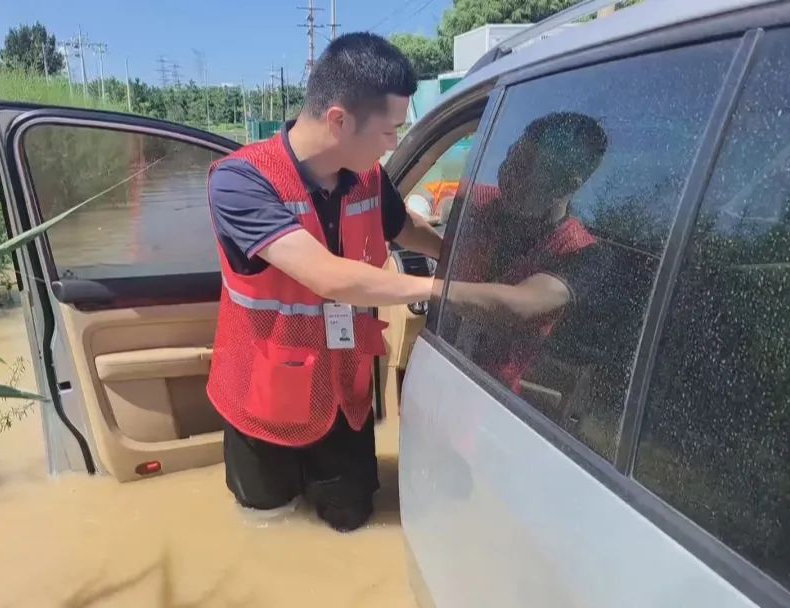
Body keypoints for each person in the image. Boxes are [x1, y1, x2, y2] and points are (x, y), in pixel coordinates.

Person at [205, 32, 443, 532]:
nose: (394, 145)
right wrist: (449, 291)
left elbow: (405, 229)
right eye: (388, 131)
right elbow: (326, 276)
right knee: (268, 525)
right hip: (262, 398)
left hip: (343, 396)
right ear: (339, 120)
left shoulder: (369, 178)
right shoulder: (241, 180)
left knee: (353, 521)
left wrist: (458, 260)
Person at [446, 111, 609, 397]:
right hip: (447, 365)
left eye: (523, 167)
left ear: (567, 184)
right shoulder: (482, 203)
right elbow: (443, 212)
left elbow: (519, 305)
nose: (505, 172)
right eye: (509, 157)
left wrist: (416, 287)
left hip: (494, 398)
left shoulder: (579, 252)